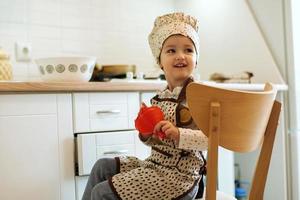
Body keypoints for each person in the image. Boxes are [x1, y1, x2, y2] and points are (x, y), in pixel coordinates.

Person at [82, 12, 208, 200]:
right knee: (102, 166)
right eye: (171, 50)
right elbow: (158, 142)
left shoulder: (200, 96)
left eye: (188, 50)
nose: (181, 56)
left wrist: (178, 133)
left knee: (101, 193)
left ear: (196, 59)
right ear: (160, 61)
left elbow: (212, 139)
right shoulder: (160, 97)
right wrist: (147, 133)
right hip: (157, 166)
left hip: (181, 178)